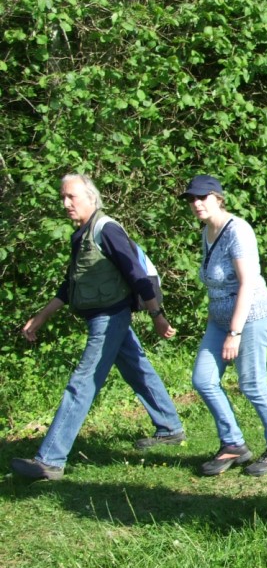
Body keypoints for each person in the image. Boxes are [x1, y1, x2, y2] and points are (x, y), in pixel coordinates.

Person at [12, 174, 184, 480]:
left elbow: (136, 273)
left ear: (92, 197)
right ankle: (170, 427)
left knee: (83, 382)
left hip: (110, 316)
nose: (66, 203)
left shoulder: (107, 229)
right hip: (101, 317)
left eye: (71, 197)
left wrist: (157, 313)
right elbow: (71, 285)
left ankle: (50, 459)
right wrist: (41, 316)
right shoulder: (81, 234)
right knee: (136, 369)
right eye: (62, 197)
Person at [181, 174, 267, 477]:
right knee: (204, 380)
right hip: (219, 318)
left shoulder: (238, 231)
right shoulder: (207, 231)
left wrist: (234, 333)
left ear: (218, 198)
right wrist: (219, 323)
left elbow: (247, 284)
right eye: (192, 198)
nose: (196, 203)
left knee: (252, 383)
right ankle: (233, 444)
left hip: (250, 317)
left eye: (202, 197)